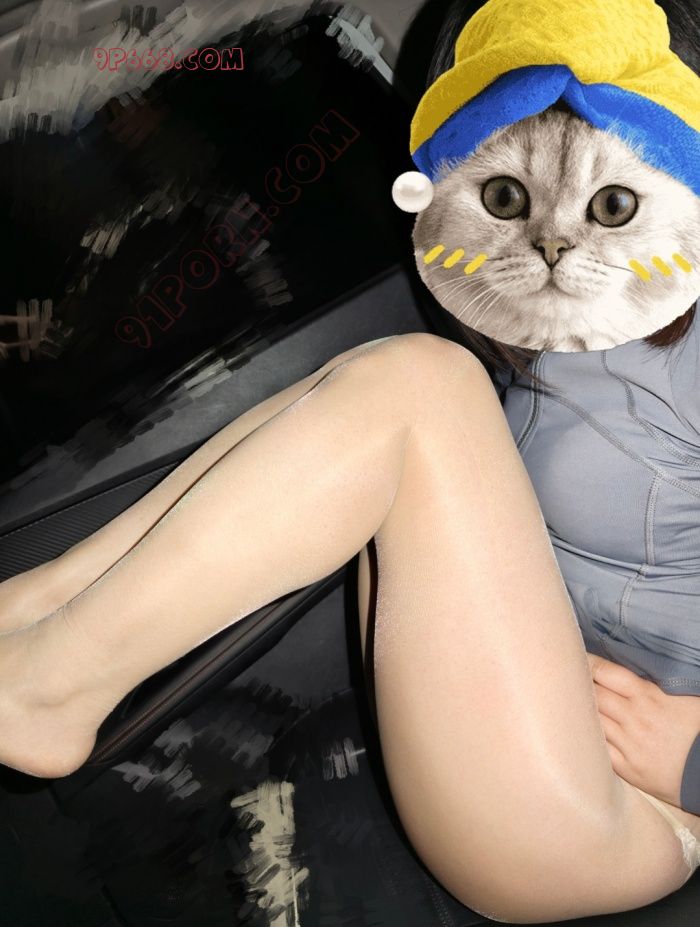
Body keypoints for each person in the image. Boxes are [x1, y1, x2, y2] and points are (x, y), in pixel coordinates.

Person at [1, 5, 699, 927]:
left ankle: (46, 685)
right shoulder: (556, 317)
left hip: (627, 819)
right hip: (546, 708)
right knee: (376, 380)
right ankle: (33, 611)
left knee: (422, 386)